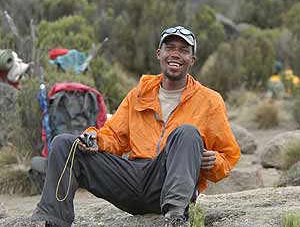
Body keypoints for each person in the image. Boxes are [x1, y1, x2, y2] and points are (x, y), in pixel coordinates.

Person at [31, 25, 240, 227]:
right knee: (65, 144)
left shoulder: (209, 100)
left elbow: (228, 156)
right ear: (159, 54)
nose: (176, 54)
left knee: (187, 133)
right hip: (133, 179)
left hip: (171, 183)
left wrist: (214, 161)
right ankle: (55, 221)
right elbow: (114, 136)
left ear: (192, 60)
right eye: (169, 48)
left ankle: (176, 219)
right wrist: (96, 139)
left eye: (184, 50)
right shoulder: (139, 94)